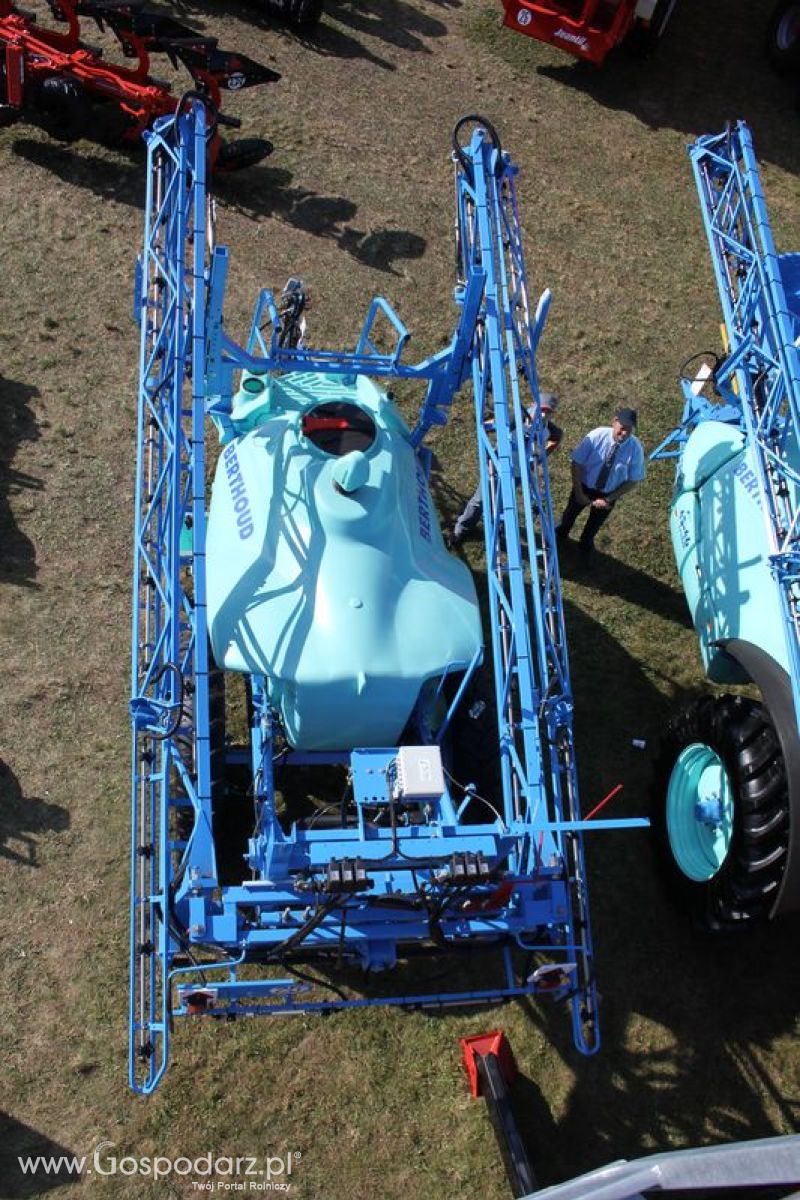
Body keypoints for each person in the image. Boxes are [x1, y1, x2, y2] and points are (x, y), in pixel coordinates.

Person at [449, 393, 563, 548]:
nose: (543, 414)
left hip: (517, 473)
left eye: (548, 412)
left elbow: (557, 438)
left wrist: (541, 456)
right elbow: (491, 426)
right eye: (541, 409)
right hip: (497, 465)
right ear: (533, 405)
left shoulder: (549, 430)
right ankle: (460, 530)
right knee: (480, 501)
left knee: (502, 501)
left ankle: (497, 528)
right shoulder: (517, 417)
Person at [556, 406, 645, 561]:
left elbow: (633, 480)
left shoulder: (635, 448)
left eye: (629, 430)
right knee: (569, 516)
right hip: (584, 486)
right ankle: (559, 538)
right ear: (614, 422)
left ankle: (584, 547)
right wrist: (579, 493)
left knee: (593, 526)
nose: (624, 434)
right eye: (622, 429)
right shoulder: (596, 436)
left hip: (608, 493)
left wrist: (608, 499)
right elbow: (576, 463)